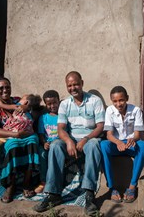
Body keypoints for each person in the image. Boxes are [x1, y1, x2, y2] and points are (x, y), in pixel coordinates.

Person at [33, 71, 105, 216]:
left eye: (76, 84)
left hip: (89, 138)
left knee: (93, 145)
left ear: (82, 83)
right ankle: (54, 194)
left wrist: (85, 139)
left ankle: (89, 195)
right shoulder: (65, 104)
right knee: (55, 145)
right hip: (71, 139)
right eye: (70, 85)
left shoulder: (95, 101)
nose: (73, 88)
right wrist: (68, 141)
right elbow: (61, 128)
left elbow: (100, 126)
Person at [0, 76, 41, 203]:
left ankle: (26, 182)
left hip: (27, 133)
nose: (5, 90)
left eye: (7, 87)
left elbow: (32, 104)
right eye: (1, 88)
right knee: (13, 146)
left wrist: (27, 107)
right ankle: (10, 185)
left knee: (33, 142)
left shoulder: (18, 100)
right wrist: (15, 134)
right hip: (10, 135)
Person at [100, 86, 144, 203]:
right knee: (103, 145)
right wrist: (118, 142)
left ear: (127, 98)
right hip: (117, 144)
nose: (118, 104)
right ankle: (112, 188)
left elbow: (138, 134)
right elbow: (109, 135)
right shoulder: (109, 111)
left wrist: (133, 139)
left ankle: (132, 186)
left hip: (131, 144)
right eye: (115, 101)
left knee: (143, 146)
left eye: (121, 100)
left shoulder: (135, 110)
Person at [0, 94, 42, 176]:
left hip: (13, 131)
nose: (19, 100)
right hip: (25, 132)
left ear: (25, 102)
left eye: (21, 99)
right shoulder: (30, 113)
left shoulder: (18, 106)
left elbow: (3, 105)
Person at [34, 90, 60, 193]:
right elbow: (41, 133)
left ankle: (55, 181)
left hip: (58, 144)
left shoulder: (62, 116)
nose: (52, 106)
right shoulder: (43, 118)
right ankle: (43, 181)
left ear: (58, 102)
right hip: (47, 144)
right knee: (42, 154)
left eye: (54, 103)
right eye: (49, 104)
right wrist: (44, 142)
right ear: (45, 104)